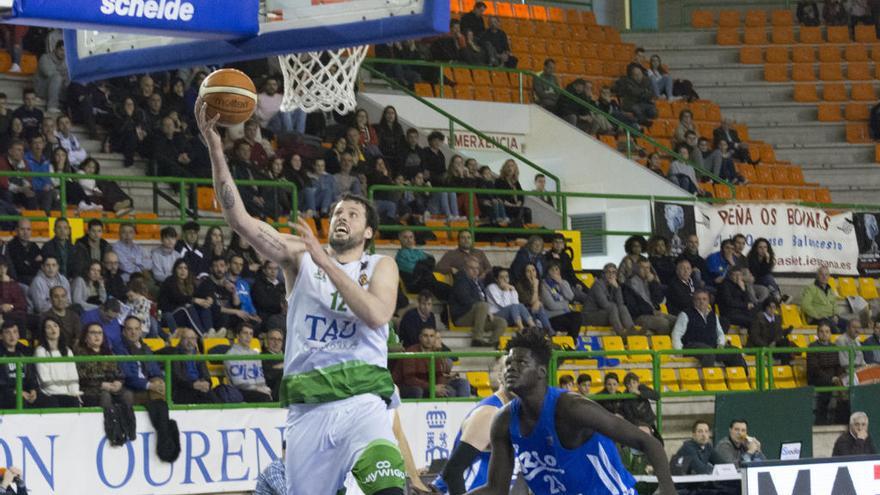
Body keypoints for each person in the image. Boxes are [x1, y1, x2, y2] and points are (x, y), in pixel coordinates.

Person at [198, 98, 408, 495]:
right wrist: (215, 148)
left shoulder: (381, 265)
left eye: (353, 214)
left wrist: (325, 261)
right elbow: (238, 220)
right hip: (308, 407)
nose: (342, 217)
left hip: (363, 401)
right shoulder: (299, 255)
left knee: (389, 488)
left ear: (367, 233)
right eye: (338, 212)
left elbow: (378, 314)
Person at [465, 329, 676, 495]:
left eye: (521, 362)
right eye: (509, 363)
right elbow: (496, 489)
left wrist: (667, 489)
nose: (511, 368)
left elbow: (648, 442)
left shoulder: (572, 409)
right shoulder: (503, 420)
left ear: (541, 372)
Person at [434, 358, 511, 494]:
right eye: (510, 369)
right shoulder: (490, 413)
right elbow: (453, 471)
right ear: (500, 375)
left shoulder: (517, 412)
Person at [672, 290, 748, 369]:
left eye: (704, 299)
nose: (701, 302)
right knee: (708, 353)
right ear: (694, 301)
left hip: (712, 347)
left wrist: (721, 344)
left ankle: (744, 377)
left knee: (734, 351)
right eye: (698, 299)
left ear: (708, 301)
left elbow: (720, 333)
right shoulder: (685, 314)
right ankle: (708, 379)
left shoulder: (713, 315)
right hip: (691, 346)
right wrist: (679, 351)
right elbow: (676, 334)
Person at [449, 257, 508, 347]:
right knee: (483, 305)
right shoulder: (461, 279)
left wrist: (486, 311)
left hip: (478, 317)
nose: (475, 271)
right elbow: (465, 300)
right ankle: (477, 339)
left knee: (501, 322)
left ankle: (492, 345)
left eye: (477, 268)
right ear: (465, 268)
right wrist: (485, 309)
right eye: (472, 268)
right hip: (462, 316)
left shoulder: (478, 281)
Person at [397, 326, 469, 398]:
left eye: (431, 336)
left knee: (449, 391)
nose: (429, 339)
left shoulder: (435, 353)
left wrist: (439, 387)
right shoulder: (411, 352)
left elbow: (439, 375)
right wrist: (432, 387)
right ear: (420, 337)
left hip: (428, 385)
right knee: (417, 391)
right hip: (408, 386)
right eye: (425, 336)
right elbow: (409, 379)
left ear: (435, 338)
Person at [75, 322, 133, 408]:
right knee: (105, 396)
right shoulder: (80, 354)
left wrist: (118, 382)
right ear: (85, 337)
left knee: (127, 394)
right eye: (93, 333)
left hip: (111, 387)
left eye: (99, 333)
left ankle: (127, 420)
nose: (97, 336)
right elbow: (82, 377)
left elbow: (119, 373)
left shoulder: (109, 353)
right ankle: (108, 421)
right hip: (90, 389)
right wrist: (101, 385)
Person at [34, 316, 81, 407]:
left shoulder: (67, 351)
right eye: (48, 327)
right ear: (44, 332)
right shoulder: (40, 351)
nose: (53, 329)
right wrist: (66, 394)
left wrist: (74, 392)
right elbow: (45, 380)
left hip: (68, 394)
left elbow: (73, 375)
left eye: (55, 326)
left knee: (75, 402)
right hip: (49, 394)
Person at [808, 321, 847, 424]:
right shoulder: (812, 347)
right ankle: (821, 422)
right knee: (826, 388)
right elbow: (814, 368)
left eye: (827, 331)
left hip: (833, 377)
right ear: (817, 333)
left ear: (830, 334)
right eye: (821, 331)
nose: (824, 334)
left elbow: (838, 366)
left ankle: (841, 419)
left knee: (847, 385)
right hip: (817, 378)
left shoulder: (834, 347)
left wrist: (839, 377)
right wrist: (831, 378)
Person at [624, 258, 676, 335]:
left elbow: (659, 299)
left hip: (653, 312)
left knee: (677, 320)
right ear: (636, 269)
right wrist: (651, 311)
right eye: (642, 267)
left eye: (647, 268)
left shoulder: (650, 281)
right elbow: (633, 307)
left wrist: (653, 283)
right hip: (639, 316)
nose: (646, 270)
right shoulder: (629, 283)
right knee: (663, 323)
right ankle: (664, 346)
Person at [583, 263, 636, 336]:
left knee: (622, 308)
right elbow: (604, 305)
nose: (611, 275)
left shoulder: (613, 285)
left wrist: (617, 288)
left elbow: (620, 304)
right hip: (591, 316)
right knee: (613, 308)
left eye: (614, 272)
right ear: (603, 274)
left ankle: (632, 330)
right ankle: (621, 333)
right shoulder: (597, 285)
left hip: (606, 314)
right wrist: (616, 307)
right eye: (608, 272)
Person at [225, 322, 274, 402]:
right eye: (245, 333)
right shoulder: (230, 355)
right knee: (264, 398)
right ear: (238, 336)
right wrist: (257, 389)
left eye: (251, 334)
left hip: (256, 390)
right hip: (240, 390)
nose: (248, 337)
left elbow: (260, 377)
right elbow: (238, 383)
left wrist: (264, 388)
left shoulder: (255, 354)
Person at [171, 327, 220, 404]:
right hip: (183, 389)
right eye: (186, 338)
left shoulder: (198, 355)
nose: (190, 342)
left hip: (199, 386)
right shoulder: (175, 355)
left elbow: (207, 376)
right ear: (181, 340)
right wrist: (193, 385)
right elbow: (178, 378)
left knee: (213, 397)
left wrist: (206, 383)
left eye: (193, 338)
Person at [539, 261, 583, 338]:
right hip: (552, 317)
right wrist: (566, 304)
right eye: (552, 270)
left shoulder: (564, 282)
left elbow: (570, 297)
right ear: (547, 272)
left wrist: (561, 283)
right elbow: (551, 305)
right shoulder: (543, 285)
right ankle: (571, 341)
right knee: (573, 321)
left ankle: (571, 341)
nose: (555, 271)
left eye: (557, 269)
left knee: (578, 316)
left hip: (566, 314)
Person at [801, 265, 848, 333]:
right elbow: (805, 305)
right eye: (821, 274)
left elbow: (835, 304)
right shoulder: (810, 288)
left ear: (829, 276)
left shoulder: (830, 289)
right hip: (817, 319)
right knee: (833, 328)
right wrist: (817, 315)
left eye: (826, 275)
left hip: (831, 318)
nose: (824, 277)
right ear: (817, 276)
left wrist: (836, 315)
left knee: (849, 325)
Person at [486, 267, 536, 331]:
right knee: (514, 306)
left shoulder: (511, 288)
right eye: (501, 277)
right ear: (496, 279)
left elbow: (517, 305)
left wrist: (512, 291)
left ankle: (533, 327)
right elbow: (504, 305)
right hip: (495, 316)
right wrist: (506, 290)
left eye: (506, 277)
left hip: (510, 315)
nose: (505, 279)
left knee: (520, 305)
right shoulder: (492, 287)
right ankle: (522, 329)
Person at [748, 299, 795, 364]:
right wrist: (767, 346)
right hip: (761, 346)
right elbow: (755, 336)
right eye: (770, 307)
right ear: (765, 308)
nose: (772, 309)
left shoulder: (777, 318)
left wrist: (774, 342)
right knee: (785, 349)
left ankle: (786, 365)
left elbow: (779, 332)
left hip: (773, 345)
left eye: (774, 307)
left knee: (784, 342)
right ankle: (786, 364)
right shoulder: (758, 319)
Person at [7, 219, 41, 285]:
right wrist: (34, 262)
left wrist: (29, 263)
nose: (25, 232)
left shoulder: (34, 246)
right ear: (16, 231)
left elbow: (41, 264)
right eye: (22, 229)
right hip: (19, 281)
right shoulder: (11, 246)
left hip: (34, 279)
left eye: (28, 229)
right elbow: (20, 269)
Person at [0, 256, 26, 329]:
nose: (2, 270)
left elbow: (23, 305)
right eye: (0, 267)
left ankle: (23, 340)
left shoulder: (14, 284)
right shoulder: (7, 283)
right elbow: (4, 300)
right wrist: (4, 284)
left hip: (14, 313)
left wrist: (11, 306)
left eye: (4, 267)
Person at [262, 327, 285, 400]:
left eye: (279, 340)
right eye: (273, 339)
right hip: (274, 390)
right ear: (267, 341)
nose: (276, 342)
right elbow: (268, 375)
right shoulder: (262, 356)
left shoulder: (288, 356)